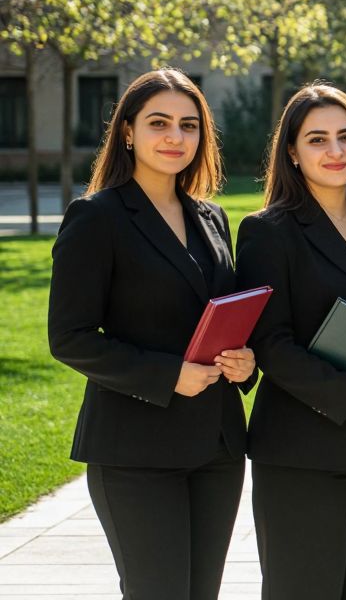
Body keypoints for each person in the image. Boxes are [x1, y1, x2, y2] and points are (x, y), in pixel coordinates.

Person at [49, 69, 256, 600]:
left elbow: (221, 313)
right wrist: (168, 375)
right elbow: (70, 337)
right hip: (134, 449)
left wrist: (244, 360)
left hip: (216, 444)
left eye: (189, 125)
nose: (175, 137)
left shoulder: (211, 216)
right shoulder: (97, 217)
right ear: (127, 132)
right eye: (159, 123)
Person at [236, 83, 346, 599]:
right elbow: (270, 343)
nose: (335, 152)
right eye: (317, 140)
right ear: (292, 152)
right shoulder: (267, 232)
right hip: (303, 450)